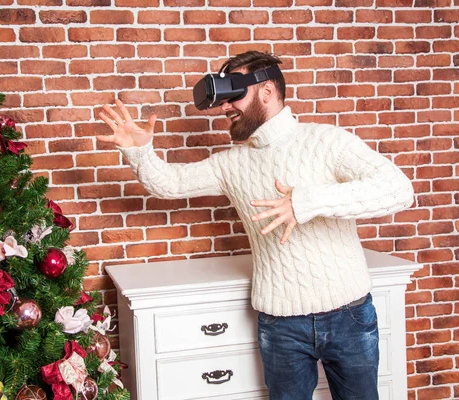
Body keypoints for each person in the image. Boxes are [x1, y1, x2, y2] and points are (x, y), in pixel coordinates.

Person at [96, 51, 414, 400]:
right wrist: (140, 152)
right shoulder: (231, 164)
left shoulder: (327, 141)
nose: (225, 108)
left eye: (235, 95)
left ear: (266, 91)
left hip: (349, 314)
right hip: (280, 324)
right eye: (223, 99)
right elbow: (170, 184)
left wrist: (307, 202)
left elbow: (398, 190)